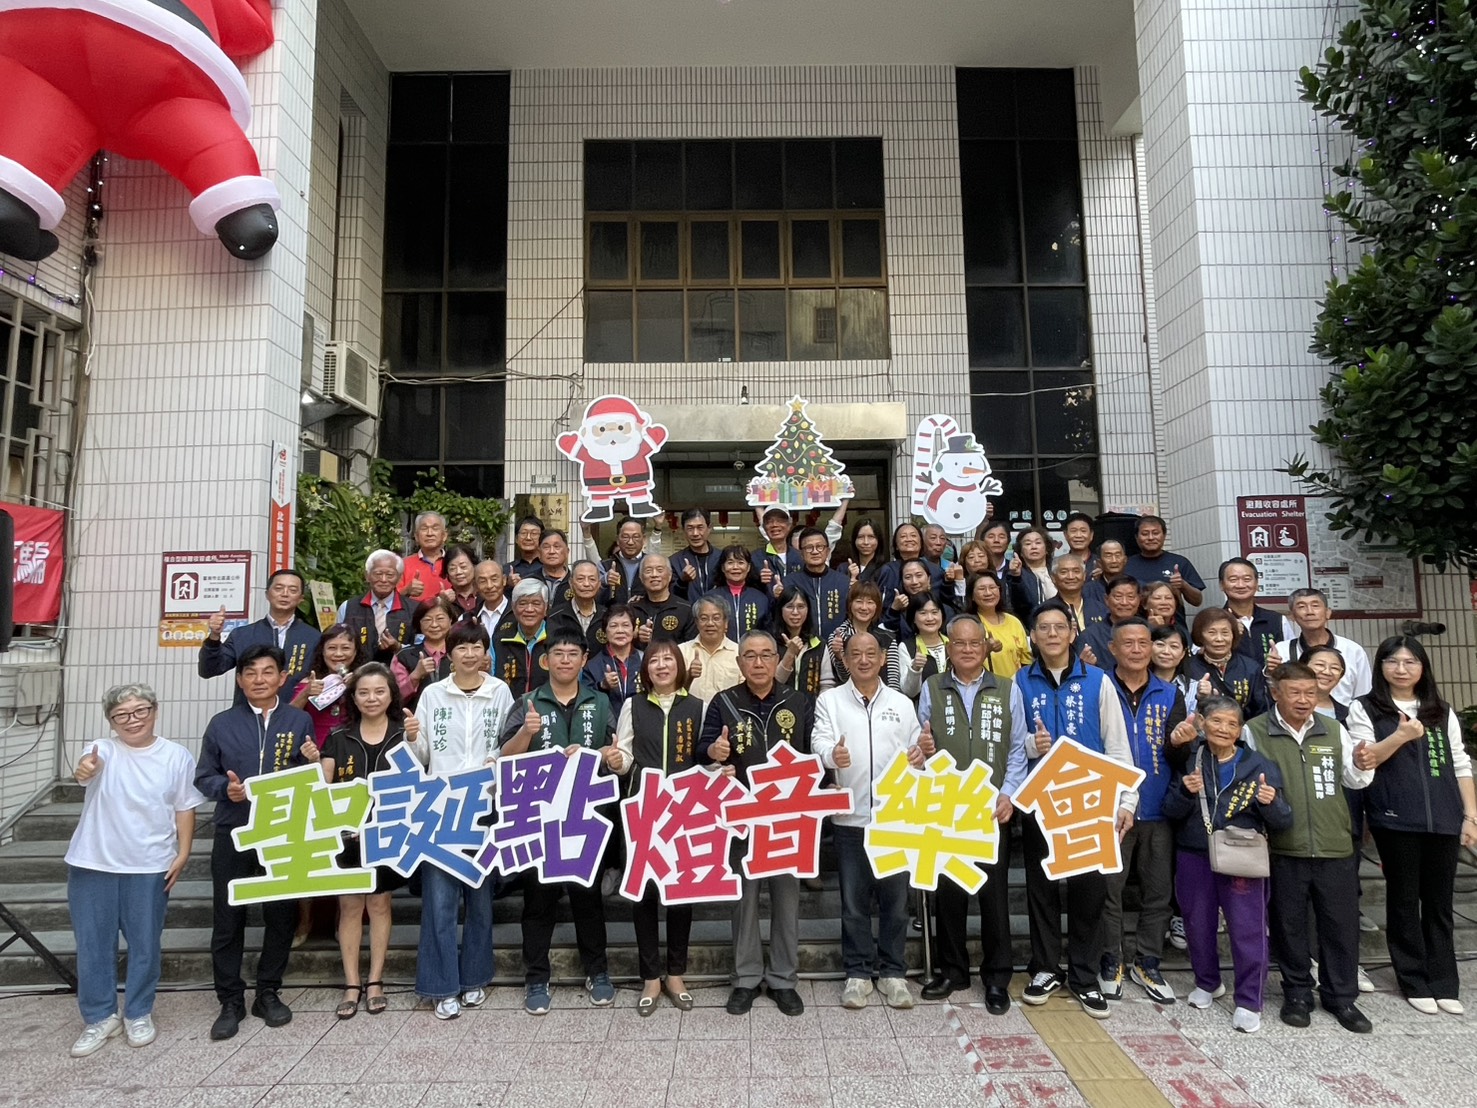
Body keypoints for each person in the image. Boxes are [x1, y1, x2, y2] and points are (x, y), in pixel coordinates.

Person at [66, 684, 204, 1057]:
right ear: (111, 721)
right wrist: (85, 767)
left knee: (145, 943)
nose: (132, 720)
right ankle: (100, 1017)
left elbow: (185, 807)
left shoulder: (176, 755)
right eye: (121, 715)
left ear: (154, 711)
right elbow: (86, 768)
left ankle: (138, 1012)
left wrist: (183, 853)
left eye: (140, 710)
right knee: (93, 944)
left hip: (150, 865)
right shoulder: (103, 749)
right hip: (92, 863)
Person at [1016, 600, 1138, 1019]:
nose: (1051, 634)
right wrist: (1032, 745)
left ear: (1072, 633)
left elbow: (1117, 744)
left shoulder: (1098, 681)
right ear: (1032, 636)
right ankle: (1046, 967)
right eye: (1043, 627)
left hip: (1090, 800)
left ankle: (1085, 976)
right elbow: (1013, 747)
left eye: (1059, 627)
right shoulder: (1020, 681)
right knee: (1042, 888)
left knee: (1090, 891)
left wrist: (1127, 800)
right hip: (1041, 801)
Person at [1243, 662, 1376, 1033]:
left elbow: (1355, 778)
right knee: (1289, 925)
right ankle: (1297, 993)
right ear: (1276, 693)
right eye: (1295, 693)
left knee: (1340, 925)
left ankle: (1341, 997)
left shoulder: (1333, 729)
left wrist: (1363, 764)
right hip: (1284, 846)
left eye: (1310, 693)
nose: (1304, 700)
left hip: (1335, 844)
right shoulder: (1255, 731)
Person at [1348, 637, 1477, 1016]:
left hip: (1444, 818)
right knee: (1404, 900)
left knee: (1439, 902)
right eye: (1392, 661)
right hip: (1395, 818)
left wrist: (1470, 816)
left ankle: (1445, 981)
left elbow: (1460, 763)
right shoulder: (1365, 708)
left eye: (1410, 662)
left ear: (1423, 667)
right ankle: (1413, 979)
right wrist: (1401, 736)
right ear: (1381, 667)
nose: (1401, 669)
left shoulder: (1440, 710)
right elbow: (1365, 759)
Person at [194, 644, 315, 1040]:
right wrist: (224, 790)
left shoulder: (298, 720)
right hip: (234, 830)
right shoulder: (222, 723)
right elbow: (204, 776)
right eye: (251, 672)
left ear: (283, 678)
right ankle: (230, 999)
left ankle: (268, 992)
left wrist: (313, 762)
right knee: (228, 918)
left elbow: (306, 776)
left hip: (282, 832)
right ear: (239, 679)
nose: (259, 679)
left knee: (280, 915)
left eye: (267, 672)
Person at [498, 628, 618, 1015]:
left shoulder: (600, 701)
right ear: (546, 660)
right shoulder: (527, 702)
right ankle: (536, 977)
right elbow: (504, 757)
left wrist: (605, 754)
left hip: (585, 814)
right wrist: (526, 733)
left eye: (572, 654)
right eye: (558, 654)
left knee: (588, 898)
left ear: (584, 660)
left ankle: (597, 972)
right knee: (538, 900)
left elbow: (615, 750)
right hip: (539, 816)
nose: (565, 660)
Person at [699, 630, 816, 1017]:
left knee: (787, 898)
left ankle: (783, 978)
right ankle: (746, 978)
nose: (759, 662)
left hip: (787, 815)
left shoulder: (797, 701)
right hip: (742, 816)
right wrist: (714, 751)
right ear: (739, 663)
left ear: (778, 659)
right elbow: (702, 751)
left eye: (767, 654)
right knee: (744, 900)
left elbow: (813, 752)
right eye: (750, 655)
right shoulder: (724, 702)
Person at [917, 616, 1029, 1012]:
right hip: (948, 806)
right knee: (949, 894)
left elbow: (1017, 748)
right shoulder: (932, 687)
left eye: (974, 643)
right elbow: (921, 744)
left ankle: (997, 978)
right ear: (948, 648)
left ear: (986, 647)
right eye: (959, 643)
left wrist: (1009, 794)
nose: (967, 649)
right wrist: (923, 750)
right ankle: (953, 970)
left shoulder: (1007, 688)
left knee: (994, 896)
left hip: (991, 807)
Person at [1161, 696, 1292, 1034]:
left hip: (1241, 854)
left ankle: (1249, 1000)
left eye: (1232, 724)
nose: (1223, 729)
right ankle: (1207, 982)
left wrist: (1271, 802)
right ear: (1202, 723)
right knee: (1197, 924)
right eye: (1216, 721)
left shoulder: (1258, 765)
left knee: (1248, 928)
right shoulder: (1190, 759)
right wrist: (1185, 792)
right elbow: (1169, 811)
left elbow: (1283, 820)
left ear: (1240, 730)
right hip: (1194, 852)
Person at [406, 620, 516, 1020]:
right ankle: (440, 986)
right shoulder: (433, 693)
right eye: (462, 647)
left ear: (486, 652)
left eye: (476, 646)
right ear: (448, 654)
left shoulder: (499, 691)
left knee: (480, 899)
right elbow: (421, 756)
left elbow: (508, 741)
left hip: (484, 806)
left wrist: (495, 760)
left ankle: (474, 979)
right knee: (439, 901)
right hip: (441, 807)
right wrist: (411, 736)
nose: (470, 654)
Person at [812, 633, 923, 1010]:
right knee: (854, 904)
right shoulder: (830, 701)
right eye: (855, 654)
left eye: (870, 653)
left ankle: (893, 973)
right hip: (849, 819)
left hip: (895, 819)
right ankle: (857, 974)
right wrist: (832, 755)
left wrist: (920, 755)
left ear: (881, 659)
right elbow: (819, 742)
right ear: (844, 660)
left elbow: (916, 749)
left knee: (896, 903)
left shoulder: (901, 703)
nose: (863, 660)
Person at [317, 663, 416, 1019]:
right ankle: (351, 983)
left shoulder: (404, 733)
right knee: (349, 907)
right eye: (363, 692)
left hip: (388, 832)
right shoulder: (338, 737)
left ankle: (375, 981)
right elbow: (324, 788)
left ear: (391, 695)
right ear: (353, 698)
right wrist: (314, 764)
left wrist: (416, 741)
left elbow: (420, 780)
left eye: (379, 691)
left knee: (379, 904)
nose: (371, 698)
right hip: (347, 836)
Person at [609, 642, 703, 1014]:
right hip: (643, 807)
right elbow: (625, 756)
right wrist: (615, 760)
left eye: (668, 660)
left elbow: (703, 757)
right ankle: (650, 976)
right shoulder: (633, 705)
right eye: (654, 661)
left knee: (681, 892)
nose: (661, 666)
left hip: (684, 809)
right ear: (645, 669)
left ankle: (676, 973)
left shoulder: (697, 706)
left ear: (679, 666)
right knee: (643, 894)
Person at [1099, 619, 1188, 1005]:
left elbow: (1177, 756)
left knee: (1158, 891)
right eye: (1128, 643)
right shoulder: (1099, 686)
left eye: (1143, 643)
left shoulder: (1169, 693)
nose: (1136, 650)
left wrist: (1181, 742)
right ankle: (1111, 959)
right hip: (1110, 807)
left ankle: (1148, 961)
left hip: (1156, 806)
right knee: (1109, 890)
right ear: (1113, 648)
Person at [198, 569, 321, 705]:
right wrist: (214, 636)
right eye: (278, 588)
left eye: (292, 590)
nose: (285, 594)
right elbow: (208, 670)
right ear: (267, 594)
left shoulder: (314, 637)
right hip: (248, 714)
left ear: (301, 598)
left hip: (295, 714)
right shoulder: (242, 635)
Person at [1273, 588, 1373, 705]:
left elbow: (1364, 695)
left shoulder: (1353, 650)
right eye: (1302, 607)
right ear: (1292, 616)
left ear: (1327, 613)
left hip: (1345, 715)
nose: (1309, 612)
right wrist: (1271, 671)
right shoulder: (1282, 650)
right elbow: (1275, 692)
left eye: (1315, 606)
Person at [1187, 609, 1269, 719]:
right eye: (1212, 633)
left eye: (1225, 633)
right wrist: (1201, 698)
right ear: (1200, 636)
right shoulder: (1188, 667)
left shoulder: (1251, 668)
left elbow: (1261, 709)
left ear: (1233, 635)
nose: (1219, 639)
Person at [289, 623, 364, 742]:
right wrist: (305, 694)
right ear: (322, 651)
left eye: (345, 648)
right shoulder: (309, 682)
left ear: (355, 651)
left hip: (352, 747)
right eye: (332, 648)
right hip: (315, 747)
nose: (338, 654)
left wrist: (358, 687)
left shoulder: (365, 681)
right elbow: (288, 718)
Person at [342, 550, 416, 664]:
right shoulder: (348, 607)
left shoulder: (414, 609)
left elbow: (420, 648)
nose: (383, 580)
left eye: (390, 575)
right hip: (357, 671)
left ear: (399, 578)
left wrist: (398, 647)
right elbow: (337, 642)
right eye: (378, 574)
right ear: (367, 576)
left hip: (398, 672)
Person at [821, 580, 895, 690]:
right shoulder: (838, 637)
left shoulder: (887, 637)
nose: (864, 607)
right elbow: (845, 678)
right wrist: (839, 657)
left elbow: (893, 681)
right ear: (850, 604)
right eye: (859, 601)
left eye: (870, 602)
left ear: (877, 606)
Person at [784, 526, 851, 642]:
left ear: (827, 551)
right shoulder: (789, 582)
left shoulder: (843, 582)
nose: (815, 552)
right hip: (802, 646)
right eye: (809, 548)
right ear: (801, 553)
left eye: (819, 547)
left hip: (837, 645)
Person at [1219, 558, 1289, 667]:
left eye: (1247, 579)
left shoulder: (1277, 620)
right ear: (1221, 585)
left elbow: (1291, 657)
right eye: (1233, 579)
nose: (1240, 585)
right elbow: (1200, 657)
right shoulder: (1213, 621)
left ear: (1256, 583)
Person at [1125, 515, 1205, 607]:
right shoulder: (1127, 564)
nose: (1150, 538)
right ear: (1136, 537)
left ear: (1164, 535)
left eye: (1155, 533)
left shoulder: (1179, 562)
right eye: (1145, 534)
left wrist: (1183, 585)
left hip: (1173, 616)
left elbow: (1197, 601)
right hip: (1137, 616)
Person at [962, 572, 1031, 679]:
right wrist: (986, 650)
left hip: (1015, 685)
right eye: (981, 589)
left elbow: (1026, 661)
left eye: (992, 587)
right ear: (972, 596)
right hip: (985, 686)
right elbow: (963, 663)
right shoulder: (968, 625)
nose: (988, 593)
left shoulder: (1014, 621)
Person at [391, 596, 457, 706]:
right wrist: (415, 676)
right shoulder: (403, 656)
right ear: (419, 623)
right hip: (415, 716)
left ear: (450, 620)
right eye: (427, 620)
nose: (434, 625)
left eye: (440, 619)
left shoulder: (460, 653)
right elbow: (393, 698)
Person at [583, 603, 642, 716]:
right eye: (614, 626)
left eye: (625, 625)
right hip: (606, 723)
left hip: (640, 721)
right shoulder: (593, 666)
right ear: (605, 631)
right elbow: (585, 701)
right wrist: (602, 686)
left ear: (634, 629)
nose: (620, 630)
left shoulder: (645, 660)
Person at [495, 579, 551, 695]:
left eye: (536, 603)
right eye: (523, 603)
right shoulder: (500, 639)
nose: (529, 609)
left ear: (546, 608)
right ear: (513, 607)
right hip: (509, 705)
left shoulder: (557, 639)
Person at [681, 596, 743, 701]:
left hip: (726, 711)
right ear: (696, 622)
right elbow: (671, 693)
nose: (710, 623)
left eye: (716, 618)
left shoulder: (739, 653)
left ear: (726, 622)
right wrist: (688, 676)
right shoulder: (681, 652)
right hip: (691, 711)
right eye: (704, 618)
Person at [1075, 575, 1141, 670]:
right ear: (1106, 599)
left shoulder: (1149, 632)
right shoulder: (1090, 636)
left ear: (1139, 600)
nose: (1124, 602)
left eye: (1130, 597)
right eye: (1118, 597)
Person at [707, 542, 770, 641]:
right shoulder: (710, 598)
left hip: (752, 649)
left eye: (740, 562)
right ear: (723, 568)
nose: (735, 567)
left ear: (748, 567)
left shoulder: (760, 598)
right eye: (730, 562)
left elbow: (767, 630)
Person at [893, 592, 949, 700]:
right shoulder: (907, 647)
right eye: (923, 613)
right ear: (913, 618)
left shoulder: (952, 644)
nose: (930, 618)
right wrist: (915, 669)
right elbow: (909, 692)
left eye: (934, 612)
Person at [630, 554, 697, 644]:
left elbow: (691, 646)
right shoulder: (632, 609)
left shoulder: (686, 610)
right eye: (648, 571)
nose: (654, 575)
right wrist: (635, 637)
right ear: (641, 578)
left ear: (670, 575)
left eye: (660, 570)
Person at [771, 586, 824, 696]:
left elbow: (826, 684)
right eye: (789, 606)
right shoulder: (771, 643)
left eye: (801, 606)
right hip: (780, 704)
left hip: (812, 705)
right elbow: (773, 683)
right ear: (780, 609)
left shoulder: (818, 643)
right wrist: (790, 653)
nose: (795, 612)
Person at [549, 558, 606, 651]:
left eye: (592, 579)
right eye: (580, 579)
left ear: (599, 584)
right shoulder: (555, 616)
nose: (586, 584)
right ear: (571, 583)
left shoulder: (607, 616)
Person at [669, 508, 724, 601]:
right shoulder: (674, 561)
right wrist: (682, 582)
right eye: (690, 528)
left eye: (700, 527)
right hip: (687, 610)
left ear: (709, 528)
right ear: (683, 530)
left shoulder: (722, 558)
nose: (695, 533)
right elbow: (670, 596)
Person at [884, 557, 946, 637]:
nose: (914, 582)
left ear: (929, 578)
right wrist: (894, 610)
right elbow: (886, 635)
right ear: (902, 582)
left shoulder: (943, 608)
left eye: (919, 575)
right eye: (908, 577)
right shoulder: (897, 609)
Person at [1006, 526, 1056, 619]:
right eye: (1028, 544)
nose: (1033, 547)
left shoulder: (1057, 571)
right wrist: (1016, 576)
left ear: (1047, 549)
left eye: (1038, 543)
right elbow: (1019, 604)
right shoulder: (1016, 575)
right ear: (1020, 552)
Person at [399, 511, 450, 599]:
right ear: (416, 536)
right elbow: (390, 600)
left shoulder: (454, 564)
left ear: (444, 535)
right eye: (424, 528)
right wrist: (406, 591)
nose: (429, 533)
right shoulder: (402, 565)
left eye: (435, 528)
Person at [1150, 625, 1199, 716]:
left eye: (1174, 646)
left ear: (1183, 653)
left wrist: (1203, 699)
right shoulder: (1138, 683)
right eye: (1160, 645)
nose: (1166, 651)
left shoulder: (1194, 688)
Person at [1052, 553, 1105, 634]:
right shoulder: (1045, 610)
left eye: (1076, 571)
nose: (1071, 577)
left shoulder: (1101, 609)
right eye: (1064, 572)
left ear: (1084, 576)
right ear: (1053, 578)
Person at [600, 516, 648, 605]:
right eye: (625, 537)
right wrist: (604, 581)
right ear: (618, 540)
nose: (630, 542)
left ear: (644, 539)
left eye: (636, 537)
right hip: (613, 613)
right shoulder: (604, 565)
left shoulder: (650, 564)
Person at [752, 505, 802, 588]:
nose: (774, 524)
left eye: (780, 521)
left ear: (789, 524)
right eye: (769, 521)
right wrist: (758, 580)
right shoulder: (754, 558)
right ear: (764, 527)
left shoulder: (800, 557)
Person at [467, 559, 511, 642]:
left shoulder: (517, 614)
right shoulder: (468, 618)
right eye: (482, 581)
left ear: (504, 580)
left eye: (494, 579)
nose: (489, 586)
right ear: (475, 585)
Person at [533, 529, 574, 611]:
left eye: (557, 546)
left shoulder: (575, 583)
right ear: (539, 553)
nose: (552, 552)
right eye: (546, 547)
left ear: (567, 551)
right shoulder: (530, 580)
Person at [845, 518, 888, 586]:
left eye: (871, 537)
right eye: (861, 537)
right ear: (854, 540)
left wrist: (858, 586)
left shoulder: (885, 570)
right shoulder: (844, 568)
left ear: (878, 540)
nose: (866, 542)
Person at [441, 544, 480, 615]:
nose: (458, 572)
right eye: (452, 569)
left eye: (463, 567)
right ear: (447, 573)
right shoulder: (444, 600)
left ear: (474, 566)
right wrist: (443, 603)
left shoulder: (485, 594)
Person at [504, 515, 544, 582]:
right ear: (516, 539)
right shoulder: (507, 569)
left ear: (542, 538)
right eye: (523, 533)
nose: (528, 538)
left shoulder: (549, 567)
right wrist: (508, 584)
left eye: (534, 533)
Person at [1063, 511, 1098, 578]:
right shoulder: (1058, 564)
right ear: (1065, 535)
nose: (1078, 535)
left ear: (1091, 535)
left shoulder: (1101, 563)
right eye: (1073, 531)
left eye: (1083, 531)